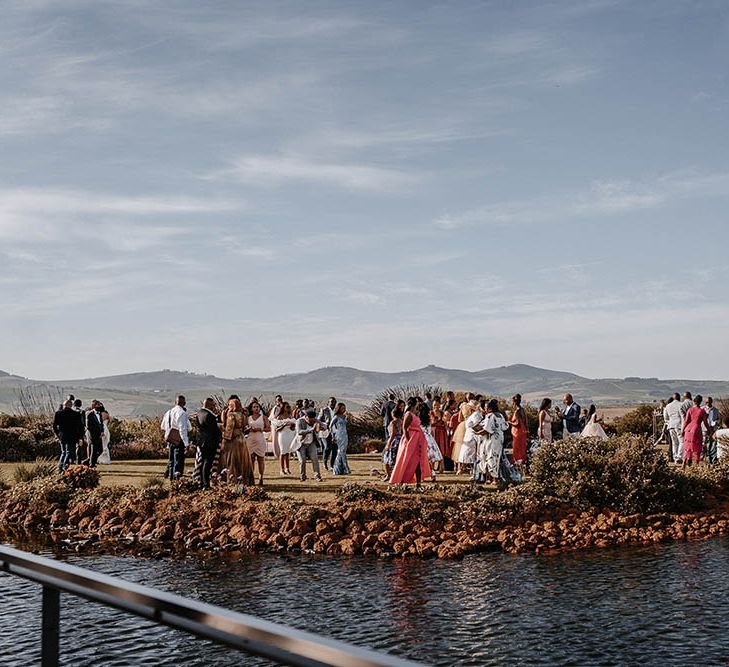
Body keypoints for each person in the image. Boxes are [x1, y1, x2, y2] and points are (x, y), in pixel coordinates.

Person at [389, 397, 432, 488]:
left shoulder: (414, 414)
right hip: (411, 439)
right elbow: (404, 428)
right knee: (406, 460)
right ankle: (400, 479)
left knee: (418, 460)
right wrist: (409, 441)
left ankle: (418, 482)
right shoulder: (408, 414)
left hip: (418, 439)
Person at [221, 398, 254, 484]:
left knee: (233, 460)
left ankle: (234, 479)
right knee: (242, 460)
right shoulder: (243, 415)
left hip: (233, 439)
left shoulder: (231, 415)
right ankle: (245, 479)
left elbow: (229, 428)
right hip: (241, 438)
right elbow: (245, 427)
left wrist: (225, 439)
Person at [476, 399, 509, 484]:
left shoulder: (490, 416)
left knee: (490, 457)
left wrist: (477, 432)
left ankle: (494, 478)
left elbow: (487, 429)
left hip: (492, 439)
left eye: (486, 408)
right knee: (496, 457)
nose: (485, 409)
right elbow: (505, 426)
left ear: (490, 408)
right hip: (499, 438)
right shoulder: (500, 415)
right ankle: (492, 478)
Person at [196, 398, 222, 489]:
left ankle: (202, 483)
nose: (214, 407)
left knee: (203, 462)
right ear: (210, 405)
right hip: (210, 442)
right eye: (213, 405)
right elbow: (214, 430)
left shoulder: (199, 413)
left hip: (202, 441)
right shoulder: (209, 415)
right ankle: (206, 484)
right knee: (208, 463)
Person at [162, 396, 190, 480]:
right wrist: (186, 443)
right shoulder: (182, 413)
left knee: (171, 461)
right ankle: (176, 481)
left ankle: (171, 479)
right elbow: (183, 429)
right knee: (178, 461)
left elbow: (163, 426)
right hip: (179, 440)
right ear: (184, 403)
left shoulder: (168, 412)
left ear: (175, 402)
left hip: (170, 439)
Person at [53, 399, 84, 472]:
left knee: (63, 452)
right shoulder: (76, 414)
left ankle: (60, 467)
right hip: (72, 436)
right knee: (69, 452)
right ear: (71, 406)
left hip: (62, 436)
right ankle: (64, 466)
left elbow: (54, 426)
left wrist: (58, 434)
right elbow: (80, 427)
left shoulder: (58, 413)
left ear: (64, 405)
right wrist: (80, 437)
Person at [294, 409, 324, 482]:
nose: (312, 421)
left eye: (313, 420)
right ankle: (302, 476)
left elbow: (324, 425)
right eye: (310, 420)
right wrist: (310, 430)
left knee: (315, 458)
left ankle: (317, 476)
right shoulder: (299, 421)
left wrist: (321, 427)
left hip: (311, 442)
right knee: (302, 460)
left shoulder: (315, 421)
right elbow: (299, 432)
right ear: (306, 417)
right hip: (301, 443)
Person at [452, 393, 478, 474]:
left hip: (462, 426)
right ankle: (472, 468)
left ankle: (460, 467)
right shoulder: (474, 406)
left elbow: (459, 419)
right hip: (471, 426)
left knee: (461, 447)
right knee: (473, 447)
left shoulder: (463, 406)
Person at [682, 394, 710, 469]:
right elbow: (705, 423)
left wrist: (683, 430)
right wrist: (710, 430)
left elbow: (686, 421)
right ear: (700, 402)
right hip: (696, 429)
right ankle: (696, 465)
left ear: (694, 401)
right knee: (697, 447)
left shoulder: (690, 410)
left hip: (688, 429)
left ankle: (684, 463)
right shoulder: (702, 411)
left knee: (687, 447)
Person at [247, 401, 270, 486]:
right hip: (250, 439)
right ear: (251, 409)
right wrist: (249, 429)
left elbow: (269, 428)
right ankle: (251, 477)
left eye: (258, 407)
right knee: (251, 459)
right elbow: (245, 427)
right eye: (254, 407)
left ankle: (261, 477)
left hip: (260, 439)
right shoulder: (248, 418)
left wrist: (261, 429)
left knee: (260, 459)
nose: (256, 408)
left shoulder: (263, 417)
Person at [271, 402, 297, 475]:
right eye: (287, 407)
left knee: (287, 452)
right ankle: (281, 469)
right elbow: (277, 429)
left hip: (289, 435)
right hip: (282, 435)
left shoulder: (290, 416)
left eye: (288, 407)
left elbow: (293, 427)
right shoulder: (279, 417)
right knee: (282, 452)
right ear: (283, 408)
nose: (288, 408)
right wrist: (284, 425)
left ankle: (287, 468)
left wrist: (292, 426)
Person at [508, 394, 529, 473]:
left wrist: (509, 421)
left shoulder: (517, 411)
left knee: (517, 449)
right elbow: (525, 422)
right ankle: (522, 465)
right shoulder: (523, 410)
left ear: (514, 403)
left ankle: (518, 466)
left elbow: (517, 424)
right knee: (522, 448)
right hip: (522, 432)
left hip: (517, 433)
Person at [383, 406, 404, 480]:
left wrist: (388, 444)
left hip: (394, 441)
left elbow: (393, 434)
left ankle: (388, 475)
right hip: (400, 440)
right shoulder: (401, 421)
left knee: (387, 458)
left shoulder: (393, 422)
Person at [430, 399, 450, 472]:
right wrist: (433, 421)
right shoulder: (430, 413)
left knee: (441, 448)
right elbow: (429, 423)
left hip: (441, 432)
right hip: (434, 432)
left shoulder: (442, 413)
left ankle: (441, 466)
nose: (436, 406)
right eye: (434, 405)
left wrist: (445, 421)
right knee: (433, 448)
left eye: (437, 405)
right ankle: (432, 467)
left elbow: (445, 423)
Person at [330, 402, 350, 475]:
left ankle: (340, 469)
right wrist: (333, 435)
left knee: (343, 451)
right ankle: (343, 468)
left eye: (344, 408)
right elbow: (330, 426)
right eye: (342, 408)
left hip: (345, 434)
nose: (344, 410)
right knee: (340, 451)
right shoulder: (336, 417)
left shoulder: (344, 416)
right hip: (339, 435)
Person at [318, 397, 338, 471]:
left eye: (334, 402)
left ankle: (332, 465)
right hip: (325, 432)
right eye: (331, 402)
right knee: (327, 447)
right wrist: (323, 425)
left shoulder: (337, 411)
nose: (332, 403)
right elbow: (318, 420)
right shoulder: (324, 410)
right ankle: (324, 462)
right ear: (328, 403)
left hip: (335, 432)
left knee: (334, 449)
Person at [663, 393, 683, 463]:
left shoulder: (668, 406)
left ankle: (675, 457)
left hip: (671, 425)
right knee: (681, 441)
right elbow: (683, 416)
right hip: (679, 425)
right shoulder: (681, 404)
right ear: (679, 398)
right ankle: (679, 457)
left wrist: (669, 423)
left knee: (674, 443)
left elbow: (666, 418)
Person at [86, 399, 106, 468]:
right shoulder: (89, 414)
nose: (99, 406)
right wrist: (97, 433)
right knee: (94, 450)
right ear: (94, 406)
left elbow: (101, 424)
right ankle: (92, 464)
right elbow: (89, 426)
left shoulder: (99, 414)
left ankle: (89, 461)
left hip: (99, 435)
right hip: (93, 435)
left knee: (100, 450)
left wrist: (102, 431)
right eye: (97, 405)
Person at [704, 397, 720, 463]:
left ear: (711, 402)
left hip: (713, 428)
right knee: (705, 442)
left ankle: (712, 457)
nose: (707, 403)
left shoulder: (715, 410)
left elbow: (719, 419)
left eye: (709, 402)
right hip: (705, 428)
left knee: (712, 442)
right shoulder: (703, 409)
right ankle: (705, 456)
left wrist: (716, 422)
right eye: (706, 402)